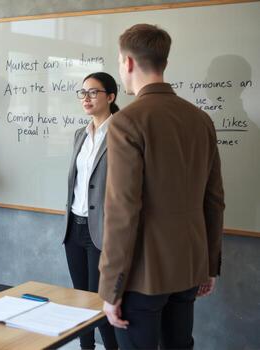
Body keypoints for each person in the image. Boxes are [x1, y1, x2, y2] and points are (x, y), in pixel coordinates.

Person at [98, 24, 225, 349]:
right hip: (188, 267)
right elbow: (214, 200)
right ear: (162, 61)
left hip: (142, 275)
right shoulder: (201, 119)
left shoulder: (127, 120)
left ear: (127, 62)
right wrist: (209, 265)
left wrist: (111, 289)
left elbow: (122, 211)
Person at [63, 72, 120, 350]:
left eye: (93, 92)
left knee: (102, 302)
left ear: (110, 97)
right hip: (75, 226)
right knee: (80, 300)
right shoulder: (79, 135)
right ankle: (86, 348)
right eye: (83, 92)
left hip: (104, 229)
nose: (86, 98)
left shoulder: (122, 132)